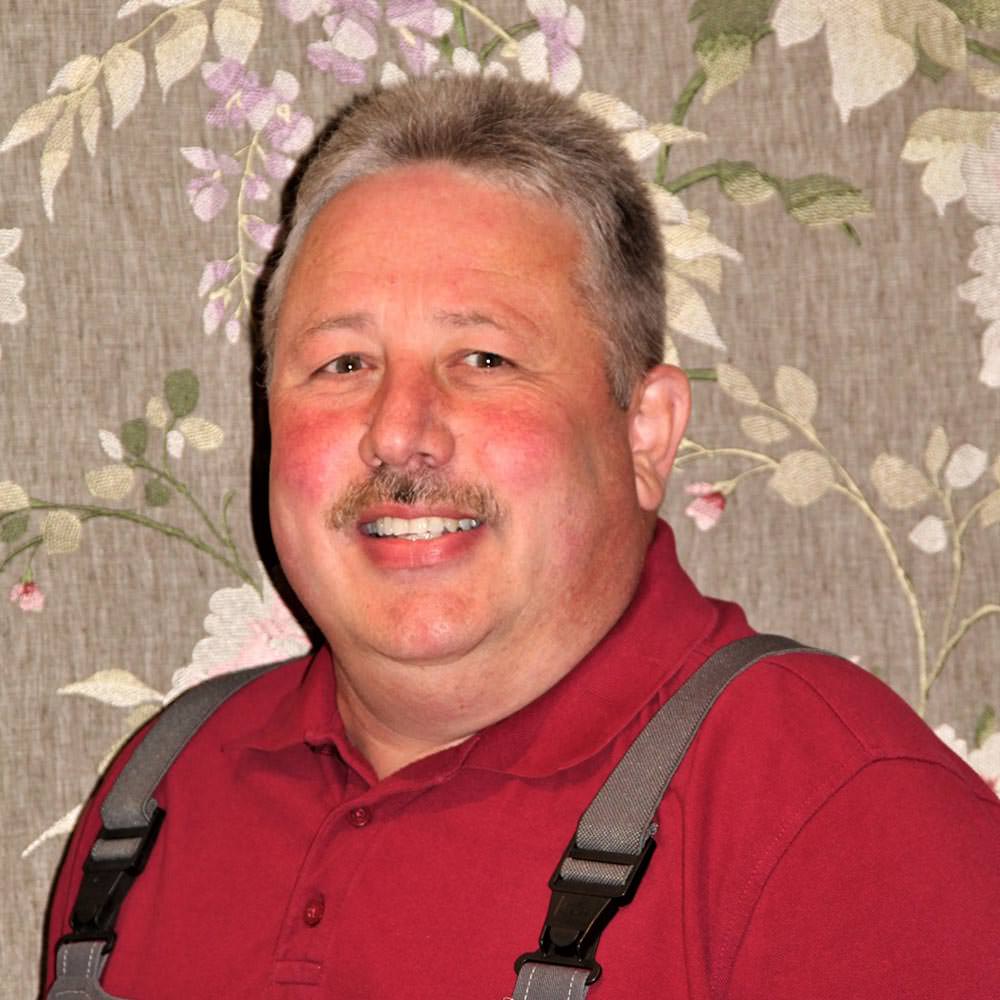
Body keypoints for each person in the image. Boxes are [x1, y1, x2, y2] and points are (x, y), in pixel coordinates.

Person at [44, 76, 1000, 1000]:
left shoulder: (840, 817)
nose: (399, 431)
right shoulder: (157, 798)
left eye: (484, 358)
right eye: (343, 363)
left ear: (645, 433)